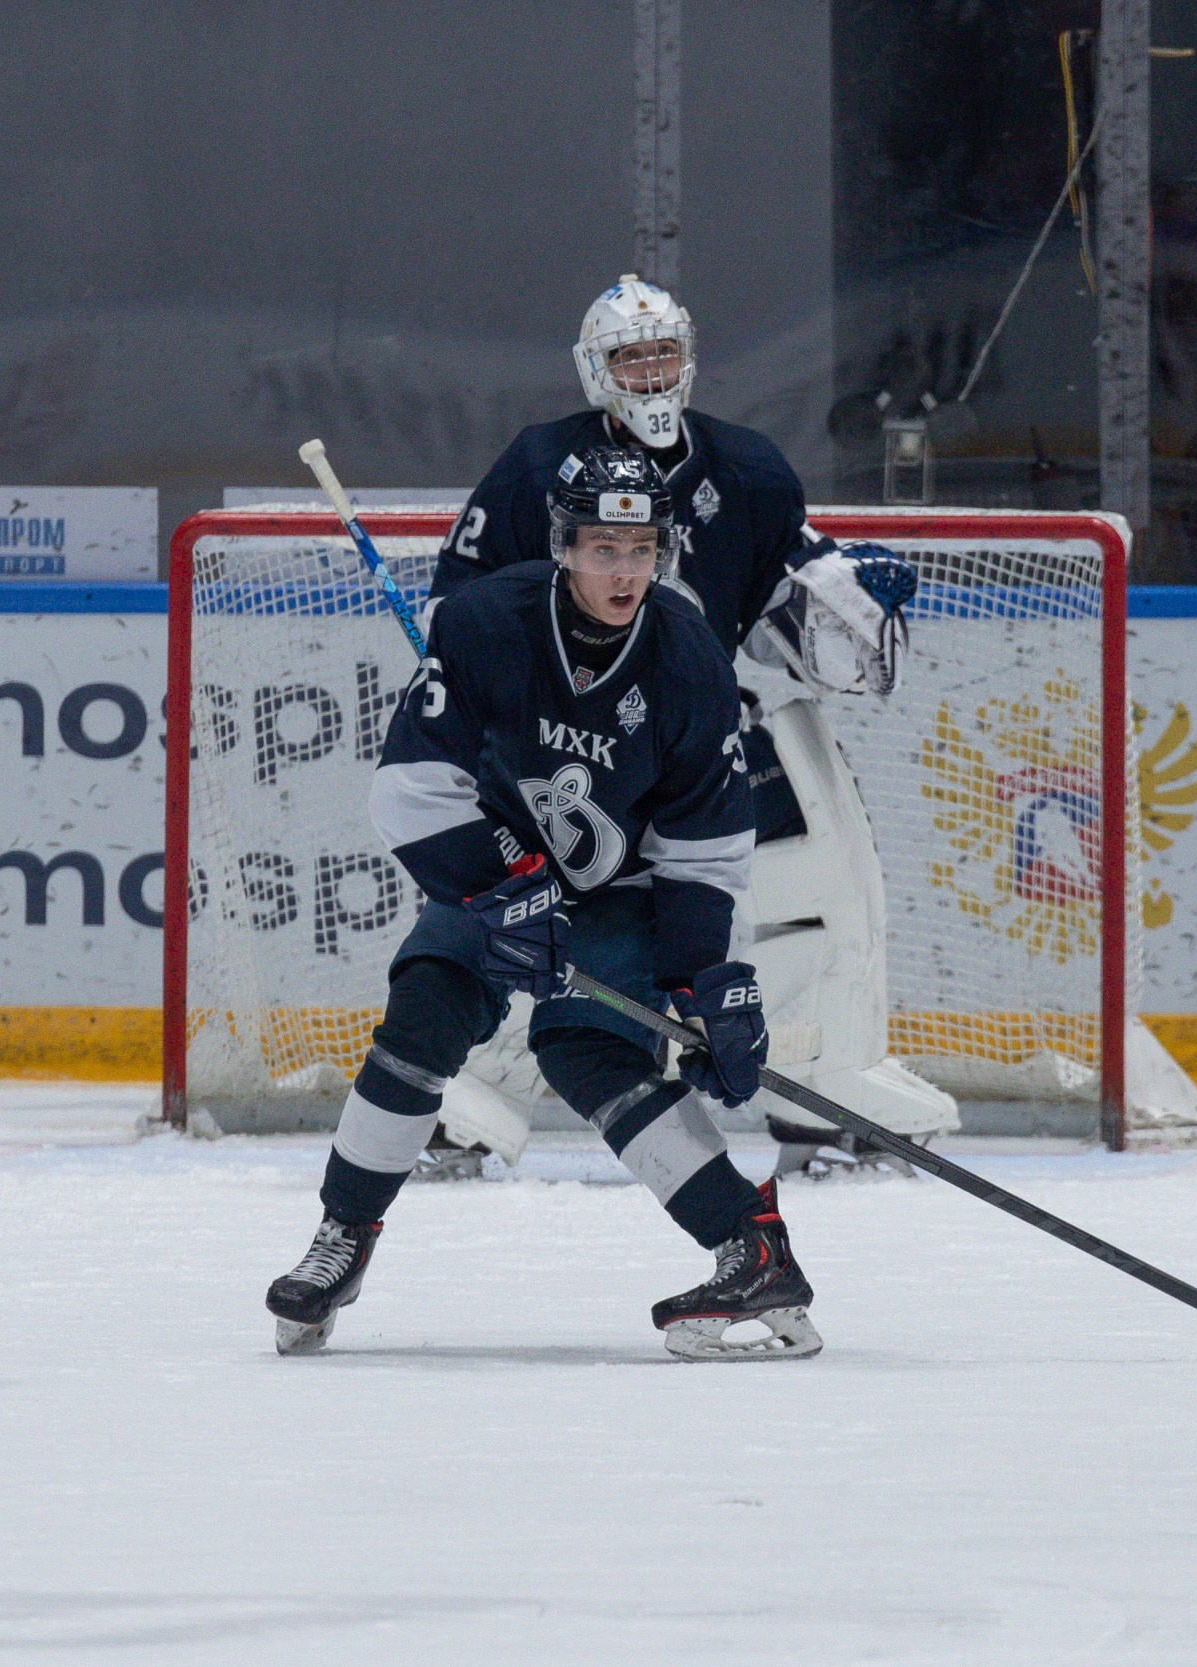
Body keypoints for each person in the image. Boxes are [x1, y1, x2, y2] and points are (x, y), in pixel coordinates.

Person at [264, 447, 820, 1361]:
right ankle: (343, 1236)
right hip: (498, 870)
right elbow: (410, 789)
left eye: (642, 549)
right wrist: (500, 885)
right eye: (604, 549)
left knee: (589, 1049)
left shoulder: (689, 661)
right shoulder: (486, 623)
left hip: (624, 890)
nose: (626, 571)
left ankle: (751, 1246)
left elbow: (705, 848)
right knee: (425, 1008)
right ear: (564, 546)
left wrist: (703, 983)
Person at [419, 272, 958, 1178]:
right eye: (630, 356)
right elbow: (458, 605)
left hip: (692, 731)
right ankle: (465, 1095)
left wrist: (848, 610)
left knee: (823, 873)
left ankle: (822, 1078)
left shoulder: (745, 468)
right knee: (535, 910)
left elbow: (786, 603)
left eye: (662, 353)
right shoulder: (538, 467)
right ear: (596, 369)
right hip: (570, 741)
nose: (650, 372)